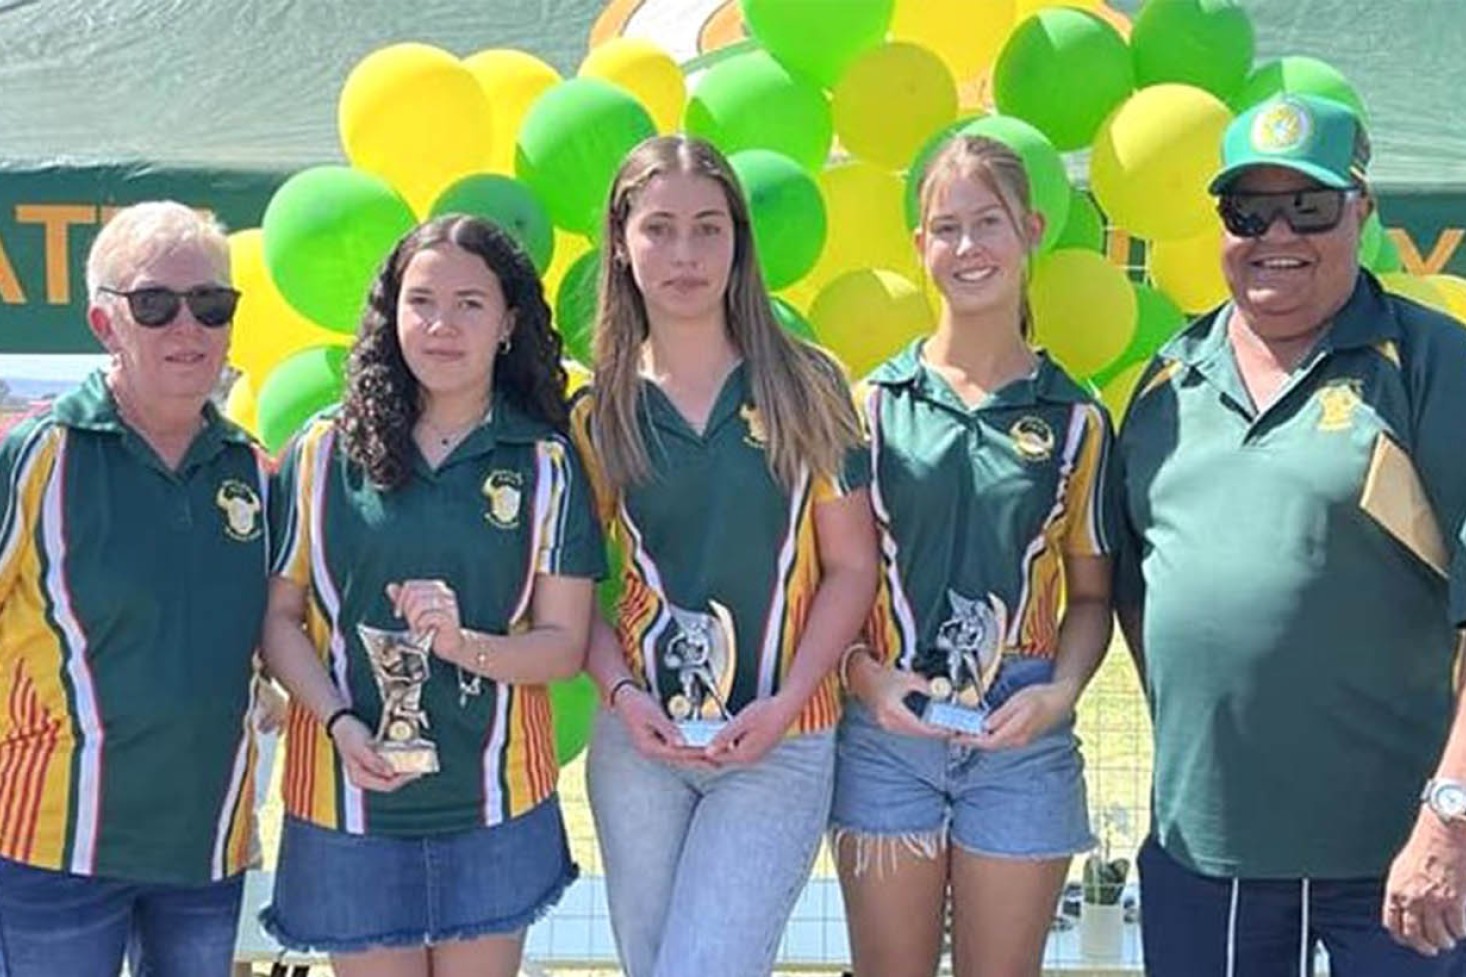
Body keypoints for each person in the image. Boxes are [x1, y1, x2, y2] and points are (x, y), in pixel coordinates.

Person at [1117, 93, 1466, 975]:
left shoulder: (1434, 365)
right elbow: (1136, 589)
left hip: (1399, 855)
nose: (1278, 232)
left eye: (1309, 205)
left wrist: (1450, 817)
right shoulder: (1166, 384)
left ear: (1363, 211)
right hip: (1207, 857)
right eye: (1248, 209)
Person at [259, 215, 603, 977]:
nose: (442, 325)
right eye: (421, 302)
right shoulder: (320, 450)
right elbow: (279, 622)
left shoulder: (545, 463)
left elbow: (564, 645)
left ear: (509, 322)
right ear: (392, 314)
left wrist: (460, 644)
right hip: (348, 807)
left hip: (493, 808)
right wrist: (340, 719)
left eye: (470, 304)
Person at [568, 134, 878, 977]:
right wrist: (625, 695)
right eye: (659, 229)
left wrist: (786, 704)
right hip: (641, 747)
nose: (685, 254)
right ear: (622, 244)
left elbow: (852, 567)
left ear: (740, 241)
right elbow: (575, 597)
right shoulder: (597, 409)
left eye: (709, 228)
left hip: (779, 741)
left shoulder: (808, 383)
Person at [830, 135, 1116, 977]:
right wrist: (865, 676)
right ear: (920, 247)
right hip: (888, 732)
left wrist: (1059, 694)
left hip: (1019, 739)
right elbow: (836, 581)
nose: (967, 247)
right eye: (946, 227)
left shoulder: (1076, 419)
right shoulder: (868, 408)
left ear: (1030, 229)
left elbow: (1093, 596)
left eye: (987, 222)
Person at [0, 201, 268, 976]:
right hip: (52, 849)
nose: (188, 327)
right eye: (155, 304)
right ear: (104, 322)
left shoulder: (255, 470)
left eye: (211, 304)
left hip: (204, 851)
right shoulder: (37, 454)